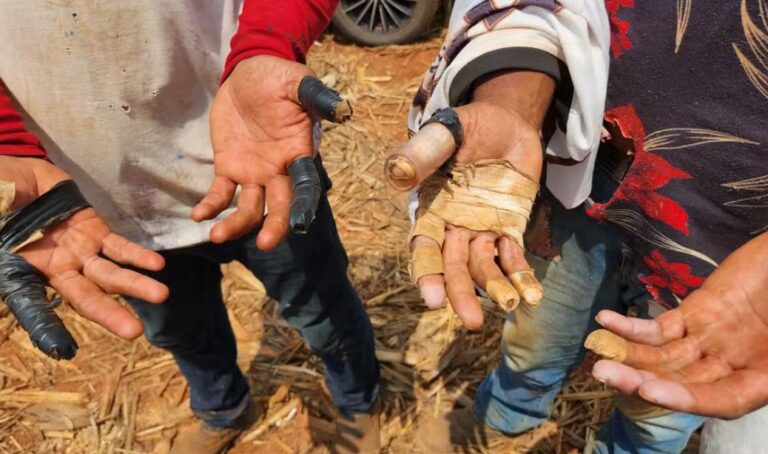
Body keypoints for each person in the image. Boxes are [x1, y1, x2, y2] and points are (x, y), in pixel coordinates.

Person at [386, 0, 768, 452]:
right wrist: (511, 100)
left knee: (664, 401)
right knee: (537, 332)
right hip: (585, 187)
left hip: (732, 260)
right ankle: (506, 416)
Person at [0, 1, 380, 452]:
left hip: (256, 164)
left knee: (323, 310)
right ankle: (223, 408)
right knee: (178, 329)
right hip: (98, 204)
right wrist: (6, 144)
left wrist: (268, 44)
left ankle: (358, 402)